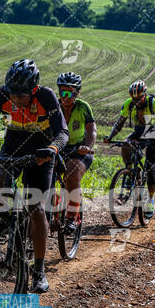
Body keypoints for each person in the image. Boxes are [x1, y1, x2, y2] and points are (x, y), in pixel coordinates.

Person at [0, 59, 69, 293]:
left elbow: (62, 131)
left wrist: (53, 149)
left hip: (42, 153)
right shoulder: (3, 95)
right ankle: (1, 219)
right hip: (13, 146)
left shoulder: (46, 96)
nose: (16, 99)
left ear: (34, 89)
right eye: (13, 93)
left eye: (22, 95)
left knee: (36, 207)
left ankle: (38, 270)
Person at [103, 80, 155, 219]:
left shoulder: (154, 103)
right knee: (126, 143)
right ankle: (130, 171)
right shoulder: (128, 103)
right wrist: (110, 136)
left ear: (144, 94)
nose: (136, 101)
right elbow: (120, 123)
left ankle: (150, 200)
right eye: (134, 98)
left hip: (153, 131)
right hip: (139, 130)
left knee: (150, 168)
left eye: (139, 98)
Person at [56, 71, 97, 234]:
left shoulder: (83, 107)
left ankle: (72, 217)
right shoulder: (55, 106)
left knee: (71, 173)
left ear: (77, 92)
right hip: (58, 148)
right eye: (62, 92)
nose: (65, 97)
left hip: (79, 150)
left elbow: (91, 130)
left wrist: (87, 145)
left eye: (70, 93)